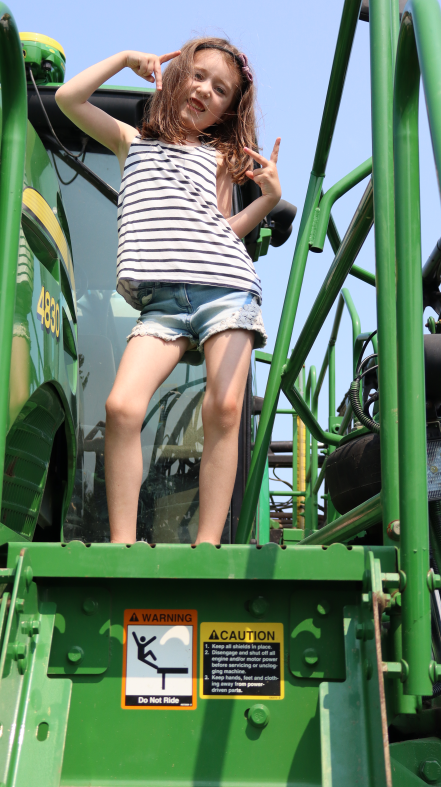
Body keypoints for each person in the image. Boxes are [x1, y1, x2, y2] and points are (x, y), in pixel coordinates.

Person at [55, 39, 281, 544]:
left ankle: (207, 544)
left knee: (223, 408)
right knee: (121, 408)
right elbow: (69, 99)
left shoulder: (218, 158)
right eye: (198, 75)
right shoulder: (130, 141)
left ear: (226, 110)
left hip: (225, 289)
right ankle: (122, 542)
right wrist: (124, 59)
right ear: (176, 75)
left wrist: (269, 199)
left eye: (220, 90)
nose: (204, 91)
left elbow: (224, 229)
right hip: (161, 305)